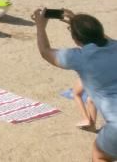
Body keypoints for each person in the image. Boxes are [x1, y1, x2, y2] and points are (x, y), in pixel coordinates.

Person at [33, 10, 117, 162]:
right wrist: (76, 21)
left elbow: (45, 52)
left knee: (100, 156)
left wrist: (40, 26)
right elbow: (104, 39)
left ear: (76, 39)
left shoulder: (80, 57)